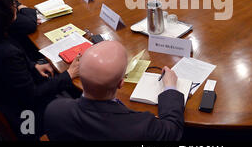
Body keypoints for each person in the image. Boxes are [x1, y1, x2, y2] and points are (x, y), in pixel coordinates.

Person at [0, 0, 81, 139]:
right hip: (28, 118)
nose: (15, 6)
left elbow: (9, 74)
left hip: (5, 96)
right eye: (12, 3)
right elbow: (33, 96)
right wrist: (69, 74)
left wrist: (32, 66)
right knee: (85, 110)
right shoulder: (6, 54)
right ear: (0, 13)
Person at [44, 41, 185, 141]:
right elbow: (172, 130)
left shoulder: (54, 111)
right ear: (120, 83)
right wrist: (170, 88)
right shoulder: (140, 127)